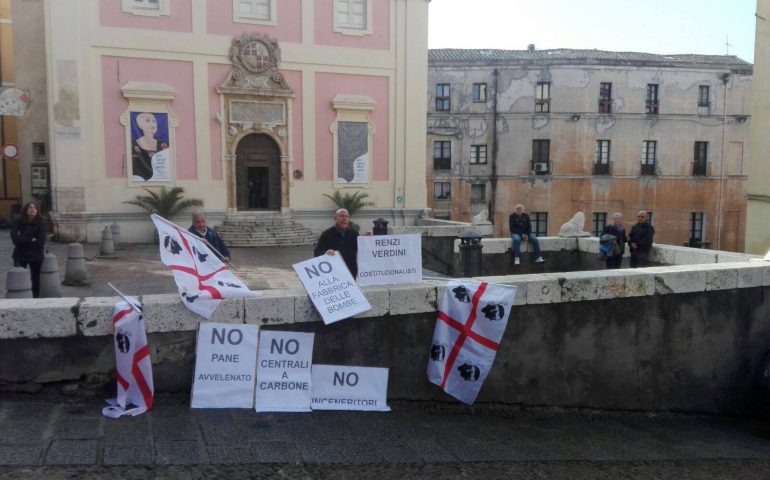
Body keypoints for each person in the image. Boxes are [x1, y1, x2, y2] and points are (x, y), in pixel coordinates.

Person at [10, 202, 47, 298]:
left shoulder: (41, 224)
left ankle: (35, 298)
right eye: (30, 207)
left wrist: (23, 239)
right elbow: (15, 239)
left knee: (35, 278)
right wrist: (31, 239)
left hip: (36, 255)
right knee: (19, 277)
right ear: (25, 210)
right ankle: (19, 298)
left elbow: (40, 242)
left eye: (34, 207)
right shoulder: (18, 222)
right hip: (20, 254)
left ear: (37, 210)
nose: (32, 209)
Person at [314, 208, 359, 278]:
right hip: (333, 274)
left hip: (351, 273)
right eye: (341, 216)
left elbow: (363, 251)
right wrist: (325, 253)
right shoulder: (326, 234)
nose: (344, 219)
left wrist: (367, 240)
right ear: (335, 218)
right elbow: (317, 252)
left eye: (347, 217)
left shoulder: (354, 234)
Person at [131, 112, 168, 181]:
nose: (152, 123)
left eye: (154, 121)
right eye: (148, 120)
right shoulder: (133, 145)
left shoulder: (164, 145)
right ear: (140, 125)